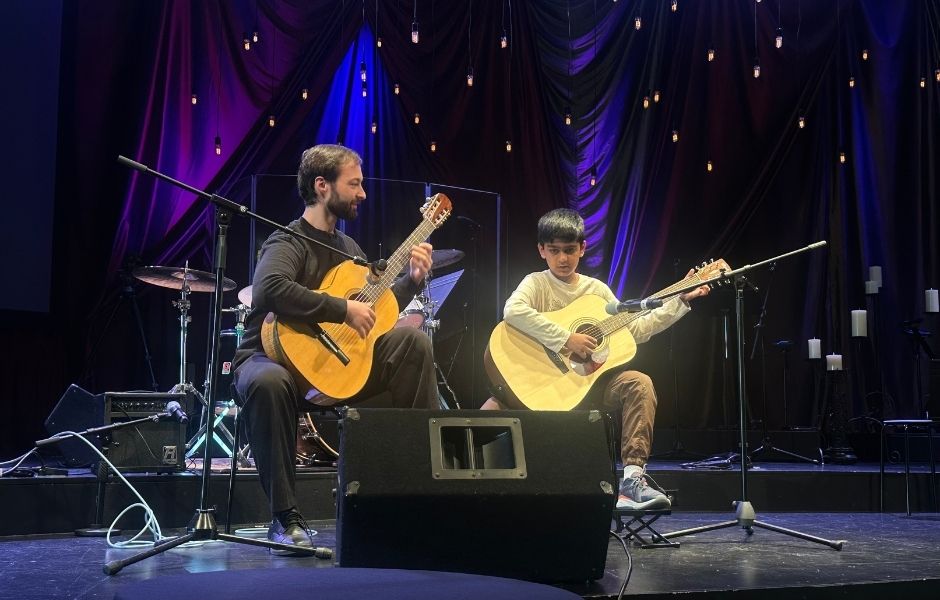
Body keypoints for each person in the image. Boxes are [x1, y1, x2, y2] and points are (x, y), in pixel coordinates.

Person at [232, 144, 439, 554]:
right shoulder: (287, 240)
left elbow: (373, 309)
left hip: (338, 363)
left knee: (411, 342)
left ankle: (418, 492)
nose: (363, 193)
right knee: (268, 382)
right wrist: (341, 308)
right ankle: (285, 517)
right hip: (273, 358)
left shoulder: (350, 249)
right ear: (322, 186)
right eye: (355, 183)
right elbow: (269, 289)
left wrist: (412, 280)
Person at [482, 208, 710, 510]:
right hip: (542, 383)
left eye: (570, 250)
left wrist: (679, 301)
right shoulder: (536, 283)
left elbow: (636, 330)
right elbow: (513, 311)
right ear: (541, 251)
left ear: (582, 249)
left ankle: (631, 481)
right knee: (487, 414)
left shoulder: (596, 291)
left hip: (590, 387)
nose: (562, 258)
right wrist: (566, 339)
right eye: (554, 251)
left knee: (640, 384)